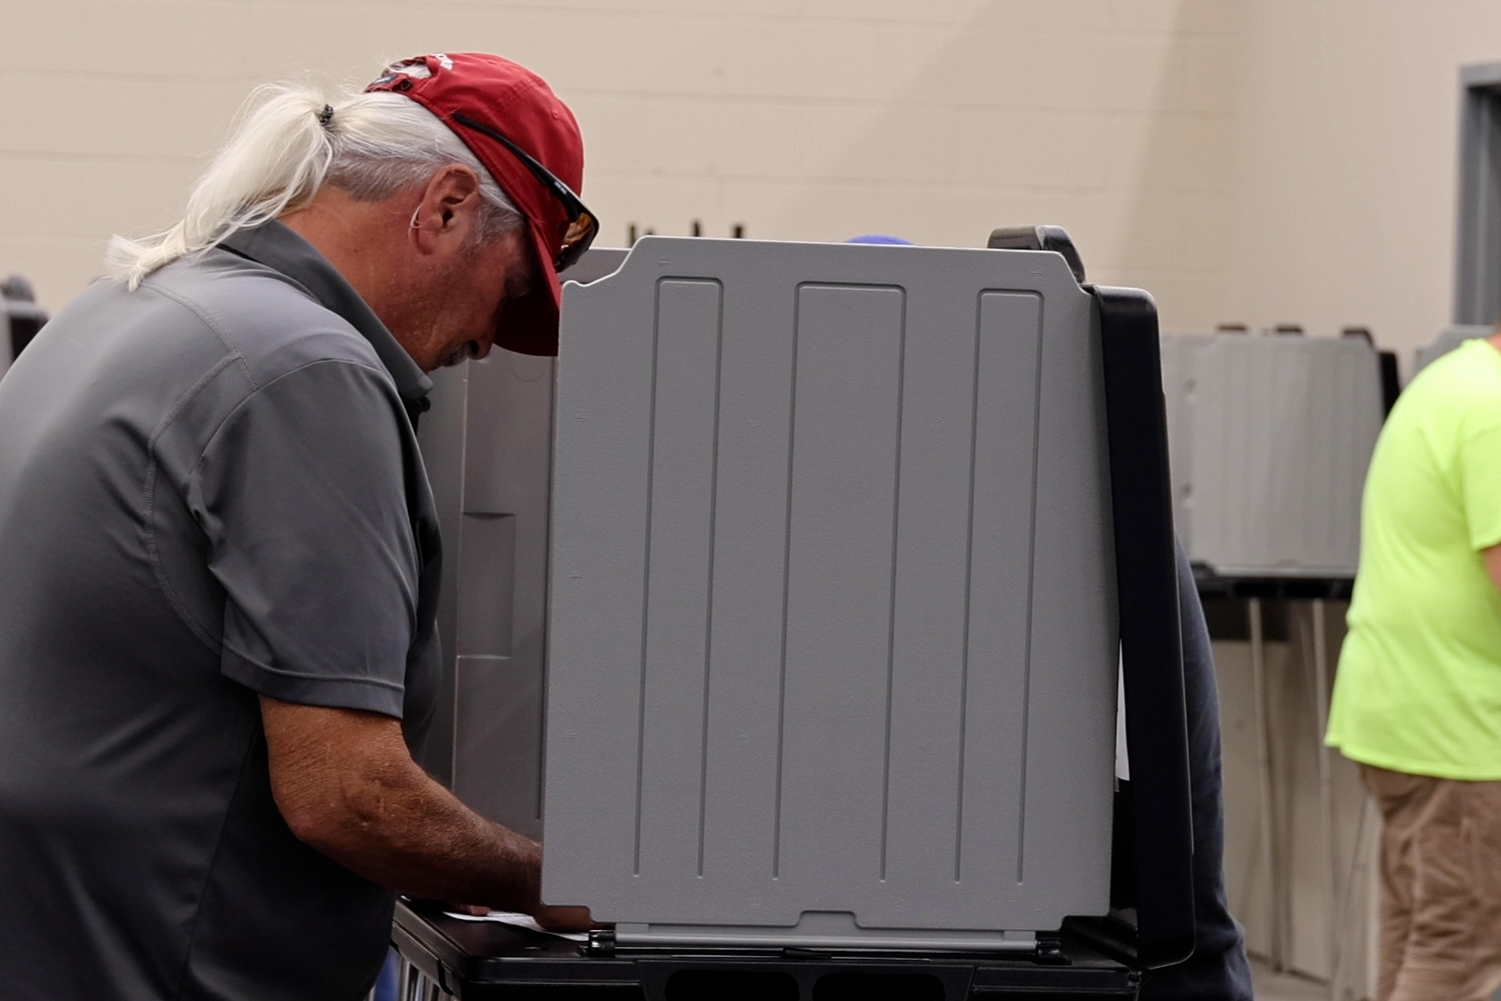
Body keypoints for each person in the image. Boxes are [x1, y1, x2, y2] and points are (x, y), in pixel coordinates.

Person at [0, 53, 596, 1001]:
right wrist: (560, 879)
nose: (490, 337)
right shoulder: (306, 370)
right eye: (511, 284)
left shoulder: (125, 303)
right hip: (163, 961)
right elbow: (346, 796)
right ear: (443, 208)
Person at [1327, 332, 1501, 1001]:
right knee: (1460, 956)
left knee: (1415, 937)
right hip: (1457, 729)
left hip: (1401, 716)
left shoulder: (1447, 382)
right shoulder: (1491, 410)